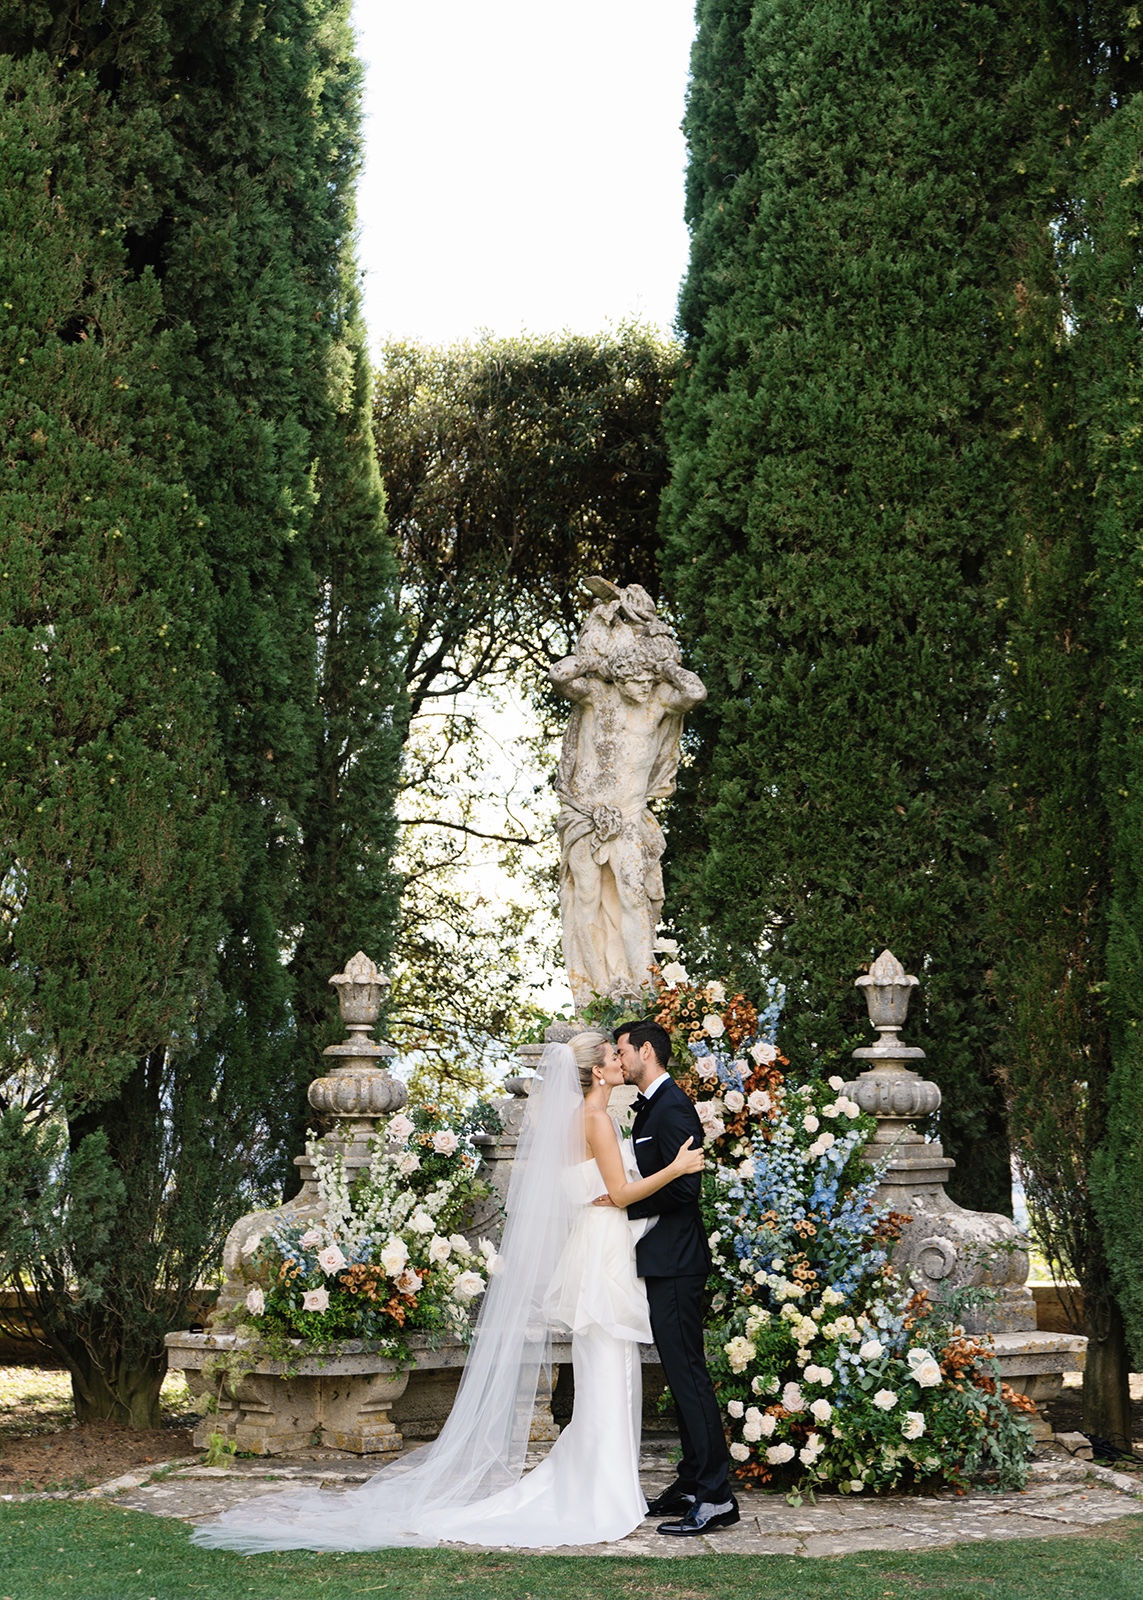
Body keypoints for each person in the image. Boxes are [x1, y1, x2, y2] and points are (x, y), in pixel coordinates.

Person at [190, 1032, 702, 1553]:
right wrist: (675, 1169)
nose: (622, 1060)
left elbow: (597, 1190)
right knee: (611, 1367)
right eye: (614, 1055)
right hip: (604, 1251)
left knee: (607, 1367)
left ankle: (605, 1482)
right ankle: (603, 1492)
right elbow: (617, 1193)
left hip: (601, 1245)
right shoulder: (594, 1118)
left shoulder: (582, 1118)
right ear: (596, 1071)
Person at [616, 1018, 739, 1536]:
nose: (618, 1060)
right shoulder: (651, 1106)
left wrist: (623, 1203)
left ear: (647, 1051)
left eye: (622, 1051)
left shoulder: (672, 1107)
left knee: (689, 1376)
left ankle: (716, 1497)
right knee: (679, 1372)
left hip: (678, 1261)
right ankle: (691, 1481)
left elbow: (686, 1192)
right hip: (662, 1260)